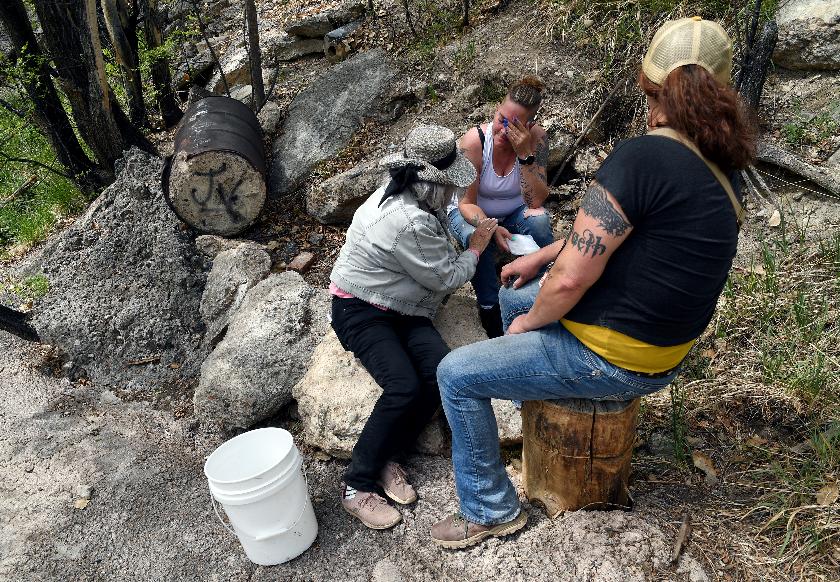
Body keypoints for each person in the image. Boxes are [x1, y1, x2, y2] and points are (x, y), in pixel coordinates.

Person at [431, 17, 757, 548]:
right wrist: (542, 258)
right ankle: (526, 406)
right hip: (664, 351)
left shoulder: (641, 156)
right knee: (516, 290)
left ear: (652, 89)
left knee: (457, 374)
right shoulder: (725, 167)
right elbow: (620, 239)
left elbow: (570, 283)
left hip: (612, 357)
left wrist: (528, 325)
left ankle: (489, 511)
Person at [330, 125, 498, 530]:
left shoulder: (409, 191)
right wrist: (476, 246)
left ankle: (390, 455)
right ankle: (357, 487)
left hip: (405, 307)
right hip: (359, 309)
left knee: (441, 373)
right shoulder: (406, 219)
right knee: (403, 385)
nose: (453, 193)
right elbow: (444, 277)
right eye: (449, 185)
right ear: (428, 179)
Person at [447, 76, 554, 338]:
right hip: (472, 212)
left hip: (514, 210)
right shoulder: (475, 142)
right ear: (496, 110)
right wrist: (490, 228)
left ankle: (543, 287)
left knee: (539, 219)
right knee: (478, 236)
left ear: (528, 125)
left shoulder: (537, 139)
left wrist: (524, 154)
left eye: (514, 125)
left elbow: (535, 201)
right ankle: (489, 305)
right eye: (501, 120)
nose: (503, 130)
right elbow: (466, 203)